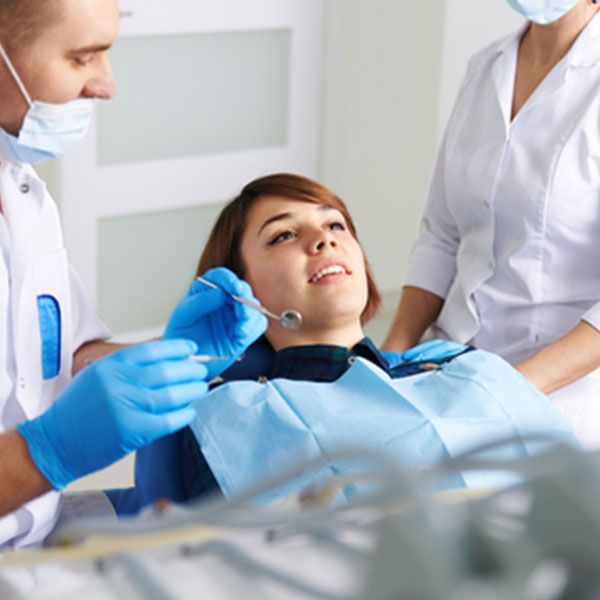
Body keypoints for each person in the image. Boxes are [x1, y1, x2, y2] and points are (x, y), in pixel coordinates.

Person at [0, 0, 265, 549]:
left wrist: (177, 354)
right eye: (81, 58)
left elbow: (56, 356)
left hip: (38, 535)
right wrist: (45, 453)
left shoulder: (23, 194)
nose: (106, 85)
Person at [136, 173, 575, 505]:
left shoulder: (462, 366)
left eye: (337, 226)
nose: (323, 240)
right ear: (240, 291)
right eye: (283, 235)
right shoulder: (234, 419)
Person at [383, 0, 600, 448]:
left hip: (561, 396)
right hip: (453, 367)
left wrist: (503, 393)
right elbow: (442, 235)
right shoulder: (486, 68)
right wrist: (391, 353)